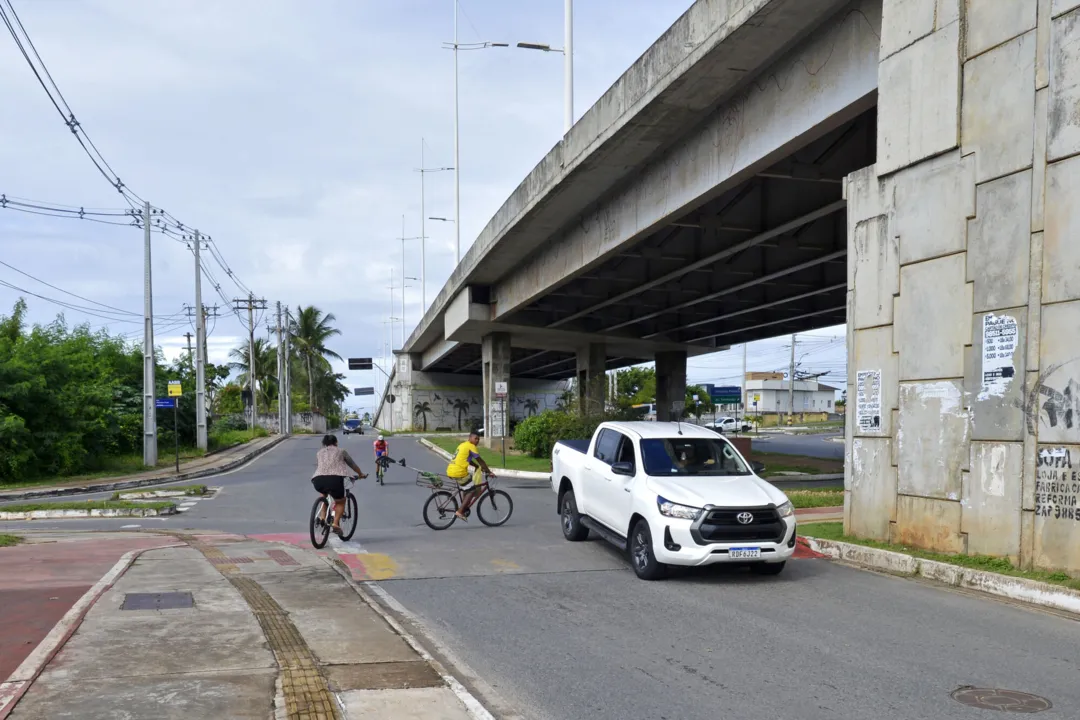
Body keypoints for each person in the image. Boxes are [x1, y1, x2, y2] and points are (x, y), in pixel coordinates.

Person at [311, 434, 367, 536]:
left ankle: (322, 517)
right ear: (336, 442)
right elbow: (352, 465)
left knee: (323, 494)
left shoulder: (319, 453)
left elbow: (320, 466)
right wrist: (360, 474)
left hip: (318, 480)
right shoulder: (341, 451)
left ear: (324, 443)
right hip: (335, 479)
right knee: (341, 501)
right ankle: (336, 523)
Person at [446, 430, 495, 521]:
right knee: (471, 490)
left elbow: (468, 459)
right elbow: (480, 460)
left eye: (478, 439)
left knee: (467, 486)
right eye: (475, 438)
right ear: (470, 438)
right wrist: (488, 472)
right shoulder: (471, 446)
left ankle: (463, 507)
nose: (477, 441)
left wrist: (476, 466)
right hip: (459, 472)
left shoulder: (463, 445)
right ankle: (460, 512)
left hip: (451, 470)